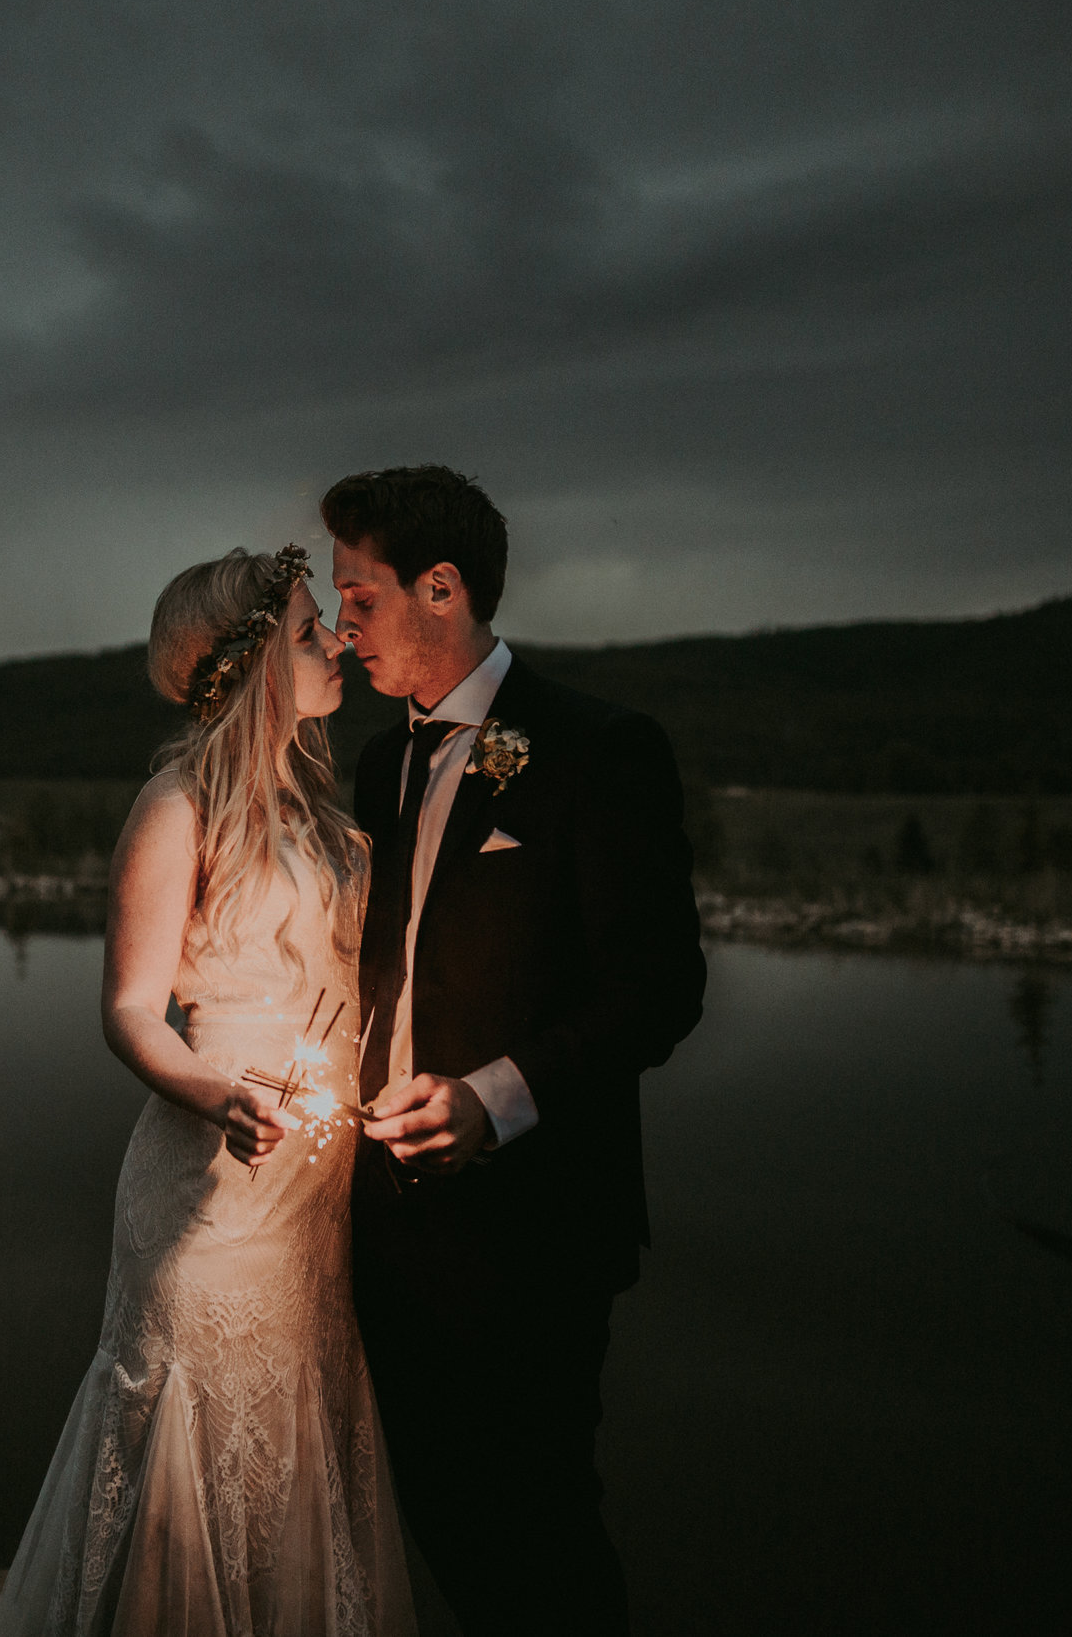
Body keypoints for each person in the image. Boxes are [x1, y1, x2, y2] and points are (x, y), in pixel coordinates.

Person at [0, 546, 417, 1637]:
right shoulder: (176, 802)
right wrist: (215, 1088)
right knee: (195, 1430)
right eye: (311, 628)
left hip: (311, 1200)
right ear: (257, 656)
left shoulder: (315, 805)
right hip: (211, 1191)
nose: (335, 643)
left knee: (296, 1432)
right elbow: (130, 1008)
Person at [326, 464, 707, 1636]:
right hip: (385, 1220)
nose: (340, 633)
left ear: (440, 588)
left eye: (358, 598)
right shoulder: (378, 764)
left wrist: (497, 1097)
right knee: (436, 1508)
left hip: (535, 1227)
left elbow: (659, 989)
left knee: (539, 1520)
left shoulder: (599, 749)